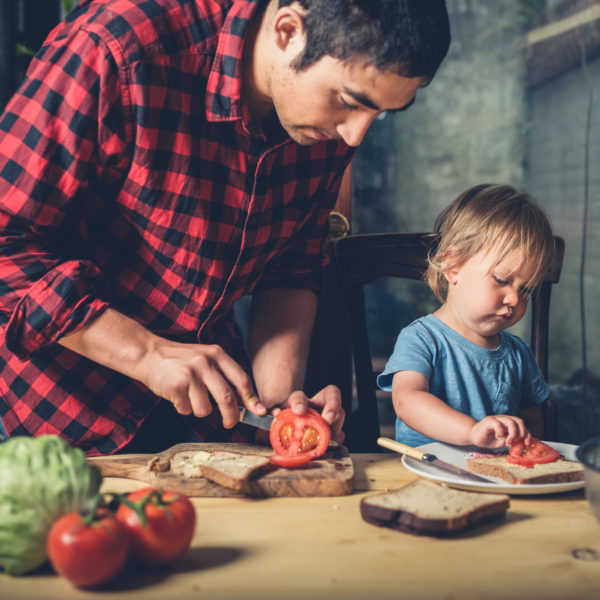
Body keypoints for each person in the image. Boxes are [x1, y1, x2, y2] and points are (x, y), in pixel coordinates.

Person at [0, 1, 451, 455]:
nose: (355, 136)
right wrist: (147, 353)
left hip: (203, 420)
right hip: (51, 415)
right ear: (288, 31)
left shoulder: (326, 128)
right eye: (350, 102)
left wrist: (282, 409)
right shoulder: (118, 46)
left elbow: (290, 270)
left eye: (381, 114)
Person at [377, 184, 556, 448]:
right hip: (427, 477)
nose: (516, 299)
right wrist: (472, 431)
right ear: (452, 265)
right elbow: (407, 402)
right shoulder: (421, 339)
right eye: (502, 280)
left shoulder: (519, 354)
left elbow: (535, 424)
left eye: (526, 289)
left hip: (495, 482)